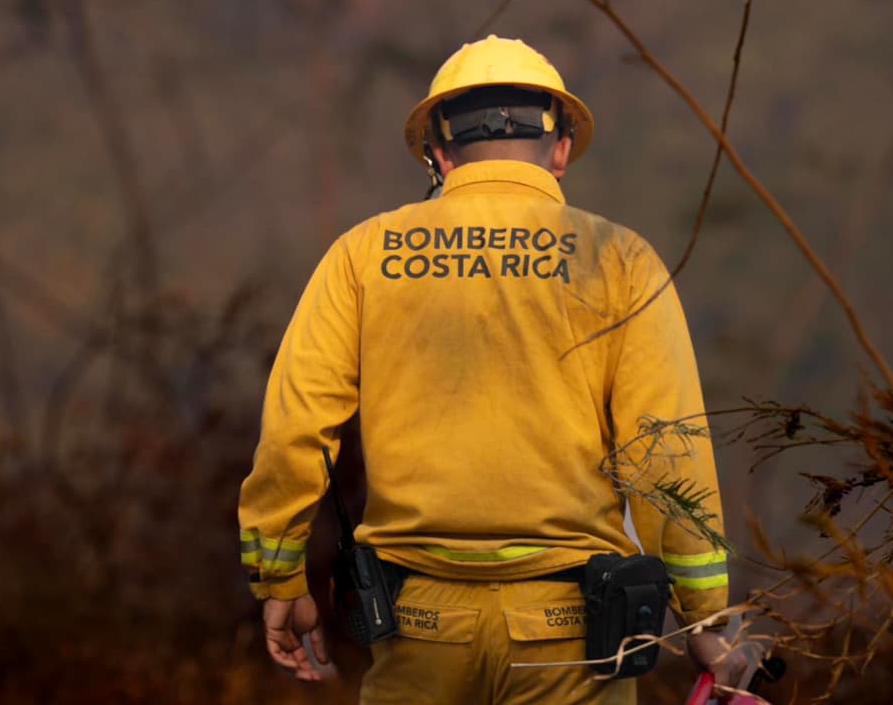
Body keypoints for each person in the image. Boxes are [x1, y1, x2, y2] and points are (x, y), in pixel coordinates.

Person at [238, 35, 744, 704]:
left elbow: (294, 431)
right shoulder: (620, 260)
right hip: (573, 640)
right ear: (561, 148)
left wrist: (279, 582)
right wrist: (704, 613)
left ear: (439, 153)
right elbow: (665, 451)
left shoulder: (363, 255)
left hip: (415, 628)